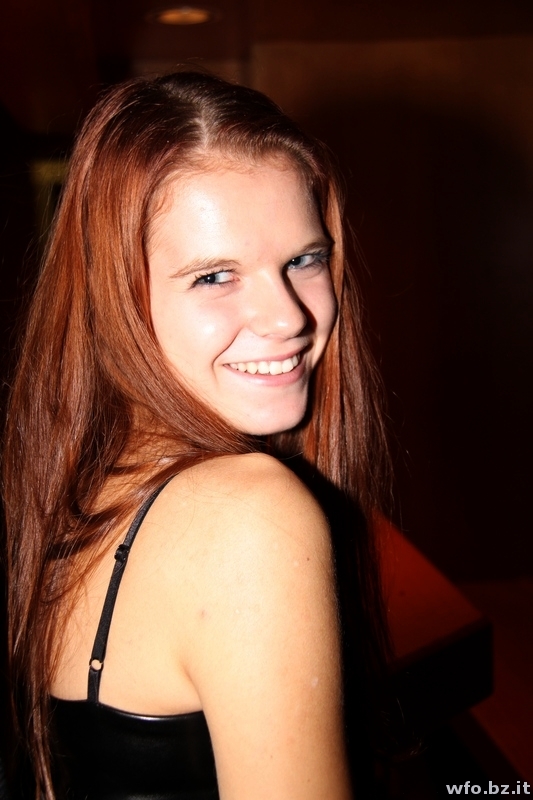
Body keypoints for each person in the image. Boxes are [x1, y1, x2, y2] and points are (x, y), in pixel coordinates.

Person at [2, 71, 390, 800]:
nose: (288, 317)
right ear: (113, 299)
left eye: (304, 260)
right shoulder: (248, 516)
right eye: (214, 276)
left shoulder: (78, 484)